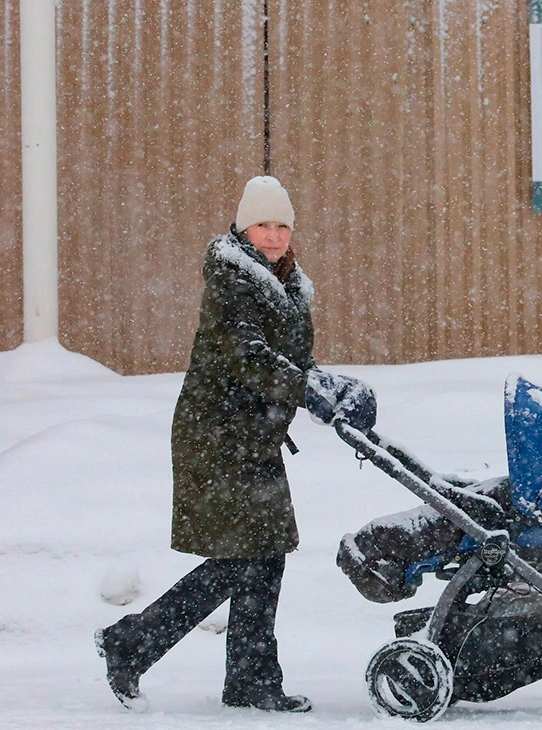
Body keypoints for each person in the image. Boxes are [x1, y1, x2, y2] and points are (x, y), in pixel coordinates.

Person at [95, 176, 376, 713]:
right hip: (216, 435)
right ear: (244, 228)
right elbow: (245, 353)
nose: (273, 236)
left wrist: (330, 385)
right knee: (241, 557)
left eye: (282, 226)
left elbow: (288, 360)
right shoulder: (231, 278)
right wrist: (304, 387)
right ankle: (130, 644)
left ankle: (248, 680)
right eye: (263, 225)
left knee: (266, 556)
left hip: (255, 435)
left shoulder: (289, 282)